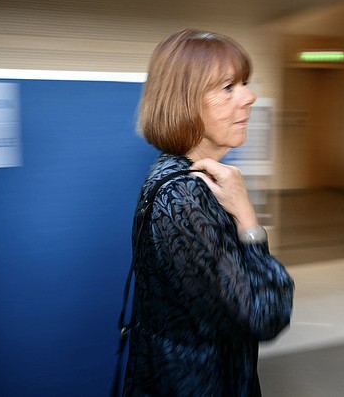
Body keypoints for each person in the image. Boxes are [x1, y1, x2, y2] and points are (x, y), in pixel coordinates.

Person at [122, 29, 294, 396]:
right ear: (185, 101)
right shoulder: (185, 195)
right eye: (228, 86)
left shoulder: (175, 173)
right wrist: (249, 220)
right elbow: (266, 313)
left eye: (244, 83)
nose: (249, 96)